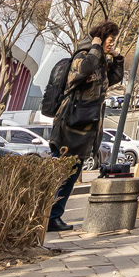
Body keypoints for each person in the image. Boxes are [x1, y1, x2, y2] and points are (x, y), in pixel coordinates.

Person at [47, 20, 122, 233]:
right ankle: (47, 215)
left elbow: (114, 78)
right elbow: (83, 71)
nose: (111, 43)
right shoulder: (83, 56)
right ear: (100, 38)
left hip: (85, 128)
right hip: (69, 126)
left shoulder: (100, 62)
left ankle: (54, 217)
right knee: (61, 173)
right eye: (109, 40)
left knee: (72, 174)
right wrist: (96, 47)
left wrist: (117, 58)